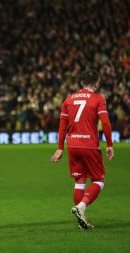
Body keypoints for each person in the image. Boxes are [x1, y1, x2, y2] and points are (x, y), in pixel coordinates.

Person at [51, 70, 114, 229]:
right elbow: (105, 123)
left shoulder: (69, 99)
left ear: (81, 82)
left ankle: (81, 219)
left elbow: (62, 126)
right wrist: (110, 144)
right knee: (99, 180)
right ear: (97, 83)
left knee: (80, 181)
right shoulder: (98, 98)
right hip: (90, 145)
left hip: (72, 146)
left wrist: (60, 148)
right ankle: (81, 207)